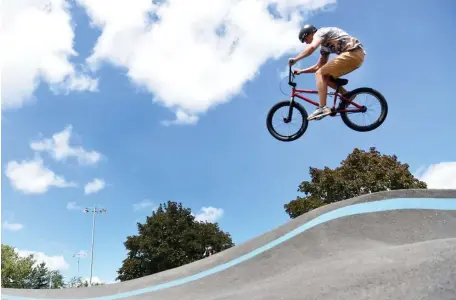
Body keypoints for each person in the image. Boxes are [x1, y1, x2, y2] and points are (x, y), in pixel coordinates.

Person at [288, 24, 366, 120]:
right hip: (356, 57)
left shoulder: (320, 33)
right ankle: (346, 95)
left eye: (305, 40)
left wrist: (296, 59)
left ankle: (322, 108)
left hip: (352, 53)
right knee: (324, 77)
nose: (306, 43)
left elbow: (312, 48)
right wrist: (301, 71)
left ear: (309, 33)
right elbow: (318, 66)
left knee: (320, 74)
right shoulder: (324, 48)